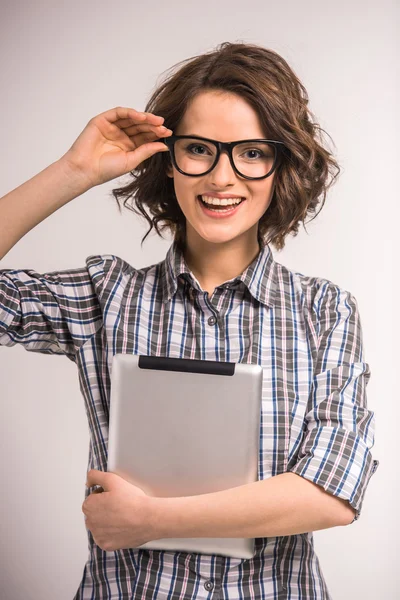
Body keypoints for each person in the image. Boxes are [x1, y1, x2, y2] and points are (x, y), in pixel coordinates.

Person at [0, 42, 379, 599]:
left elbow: (332, 494)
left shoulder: (324, 312)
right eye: (199, 149)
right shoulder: (109, 296)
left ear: (282, 166)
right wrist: (74, 170)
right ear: (167, 157)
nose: (222, 177)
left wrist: (152, 519)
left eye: (251, 153)